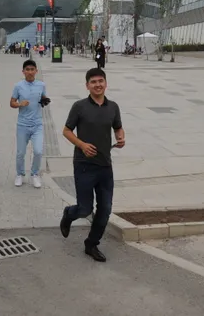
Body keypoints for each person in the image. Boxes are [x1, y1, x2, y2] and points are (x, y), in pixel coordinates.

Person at [59, 68, 125, 262]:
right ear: (87, 85)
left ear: (106, 83)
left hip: (105, 166)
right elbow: (66, 131)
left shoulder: (113, 107)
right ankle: (69, 214)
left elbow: (118, 127)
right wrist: (82, 145)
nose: (98, 85)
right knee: (84, 209)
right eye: (93, 82)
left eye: (100, 81)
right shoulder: (79, 106)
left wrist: (121, 137)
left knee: (105, 209)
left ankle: (91, 244)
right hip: (84, 166)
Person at [10, 59, 50, 188]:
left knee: (38, 151)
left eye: (32, 69)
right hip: (22, 125)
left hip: (37, 124)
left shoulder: (41, 85)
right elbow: (12, 103)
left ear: (36, 71)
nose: (30, 72)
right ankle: (20, 174)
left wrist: (45, 100)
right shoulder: (18, 86)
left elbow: (43, 97)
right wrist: (19, 104)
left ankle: (34, 174)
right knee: (20, 153)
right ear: (23, 71)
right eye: (27, 69)